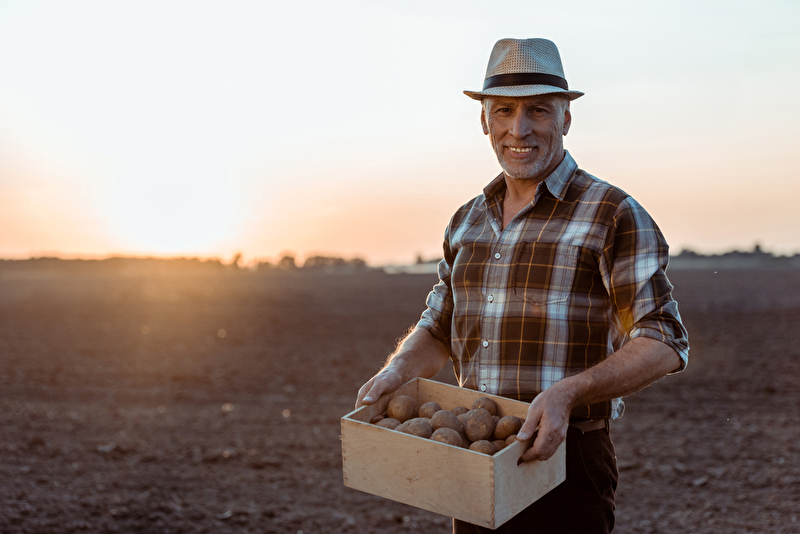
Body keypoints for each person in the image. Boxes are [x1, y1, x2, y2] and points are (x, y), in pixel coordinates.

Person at [355, 37, 689, 533]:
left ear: (565, 120)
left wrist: (566, 395)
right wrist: (397, 370)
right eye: (504, 111)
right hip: (474, 458)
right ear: (484, 120)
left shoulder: (611, 213)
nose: (520, 129)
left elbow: (664, 339)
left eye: (539, 111)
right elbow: (440, 326)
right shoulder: (467, 221)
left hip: (567, 464)